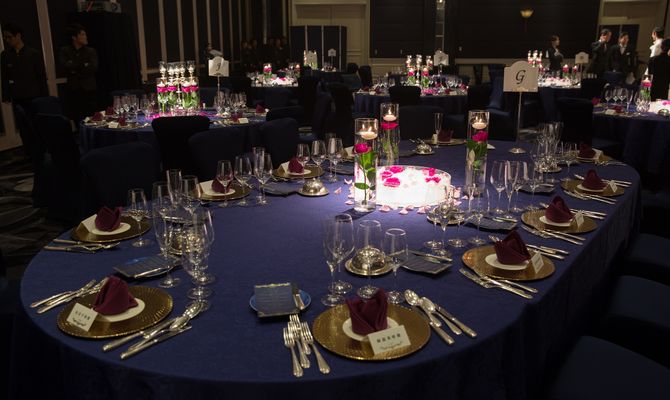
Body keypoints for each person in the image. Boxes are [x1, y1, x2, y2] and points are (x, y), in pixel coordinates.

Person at [1, 22, 48, 112]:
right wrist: (5, 95)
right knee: (21, 118)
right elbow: (4, 76)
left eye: (9, 37)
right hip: (17, 96)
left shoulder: (33, 54)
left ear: (18, 36)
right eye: (5, 37)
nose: (7, 40)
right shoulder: (5, 55)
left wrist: (45, 96)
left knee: (36, 118)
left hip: (34, 95)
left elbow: (41, 76)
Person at [58, 23, 98, 124]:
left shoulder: (90, 51)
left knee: (91, 117)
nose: (85, 37)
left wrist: (74, 68)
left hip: (89, 89)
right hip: (73, 89)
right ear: (74, 37)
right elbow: (64, 67)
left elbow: (93, 68)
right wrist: (83, 64)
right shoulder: (65, 51)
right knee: (76, 117)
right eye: (82, 34)